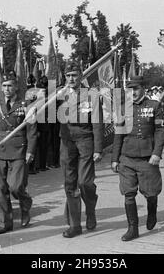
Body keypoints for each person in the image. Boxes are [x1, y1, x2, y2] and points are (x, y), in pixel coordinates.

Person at [111, 75, 164, 241]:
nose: (132, 92)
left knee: (151, 193)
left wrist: (157, 153)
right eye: (130, 89)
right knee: (128, 193)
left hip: (147, 158)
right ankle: (132, 229)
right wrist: (115, 158)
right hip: (127, 158)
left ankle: (152, 210)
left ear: (143, 89)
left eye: (135, 89)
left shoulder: (155, 106)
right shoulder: (123, 108)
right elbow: (118, 134)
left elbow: (160, 131)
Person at [0, 73, 37, 235]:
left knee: (15, 187)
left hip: (18, 150)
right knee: (0, 189)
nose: (7, 89)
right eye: (4, 86)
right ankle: (5, 223)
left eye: (10, 86)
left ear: (16, 87)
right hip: (0, 149)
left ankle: (25, 203)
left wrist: (30, 151)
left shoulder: (26, 105)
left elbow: (31, 131)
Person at [58, 63, 103, 238]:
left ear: (81, 75)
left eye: (74, 75)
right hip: (67, 142)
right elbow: (41, 107)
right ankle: (75, 225)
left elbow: (97, 122)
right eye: (68, 75)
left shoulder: (91, 95)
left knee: (85, 182)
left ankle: (90, 209)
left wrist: (98, 148)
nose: (71, 79)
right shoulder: (59, 95)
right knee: (70, 183)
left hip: (85, 140)